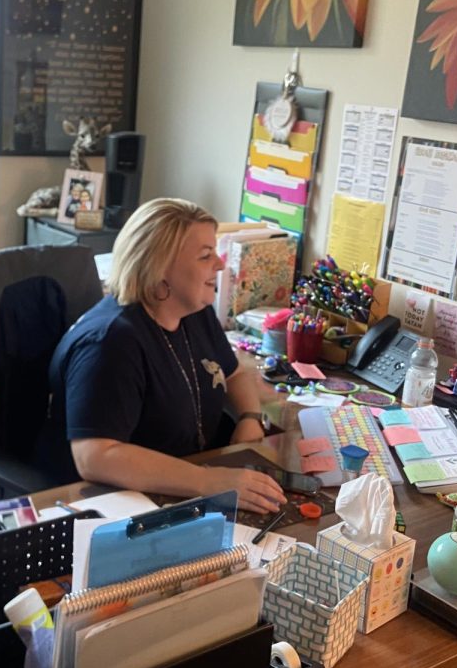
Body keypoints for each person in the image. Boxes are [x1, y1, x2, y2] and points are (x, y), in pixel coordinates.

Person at [40, 198, 287, 514]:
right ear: (160, 268)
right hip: (114, 502)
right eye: (205, 255)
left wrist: (250, 417)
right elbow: (95, 456)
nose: (221, 264)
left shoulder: (192, 311)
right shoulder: (110, 342)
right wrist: (207, 481)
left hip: (185, 480)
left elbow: (233, 370)